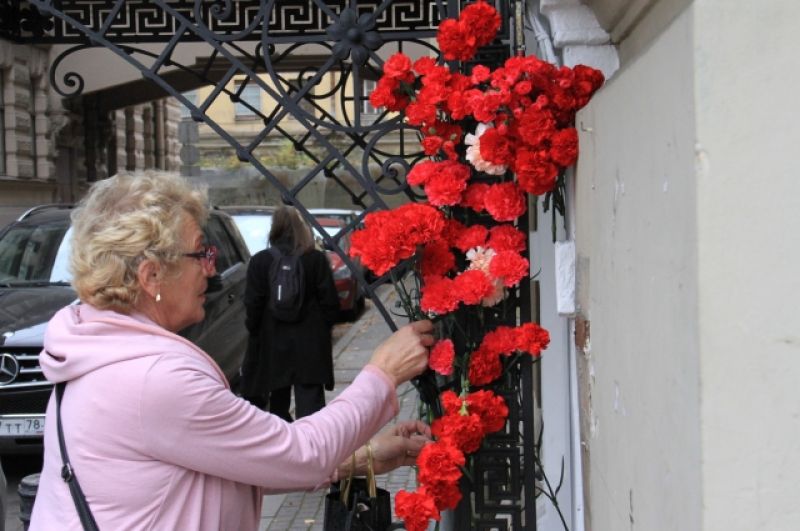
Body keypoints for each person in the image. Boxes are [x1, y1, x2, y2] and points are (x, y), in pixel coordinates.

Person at [29, 172, 434, 531]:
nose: (212, 266)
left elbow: (228, 460)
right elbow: (299, 454)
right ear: (151, 274)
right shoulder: (152, 378)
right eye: (200, 252)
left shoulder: (95, 348)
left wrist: (360, 458)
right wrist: (383, 372)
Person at [241, 205, 338, 420]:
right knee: (311, 408)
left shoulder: (260, 261)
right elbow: (330, 303)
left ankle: (284, 446)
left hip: (272, 342)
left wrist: (255, 332)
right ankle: (314, 446)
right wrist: (323, 329)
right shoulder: (315, 260)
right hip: (310, 344)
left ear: (274, 228)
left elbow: (253, 304)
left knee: (277, 403)